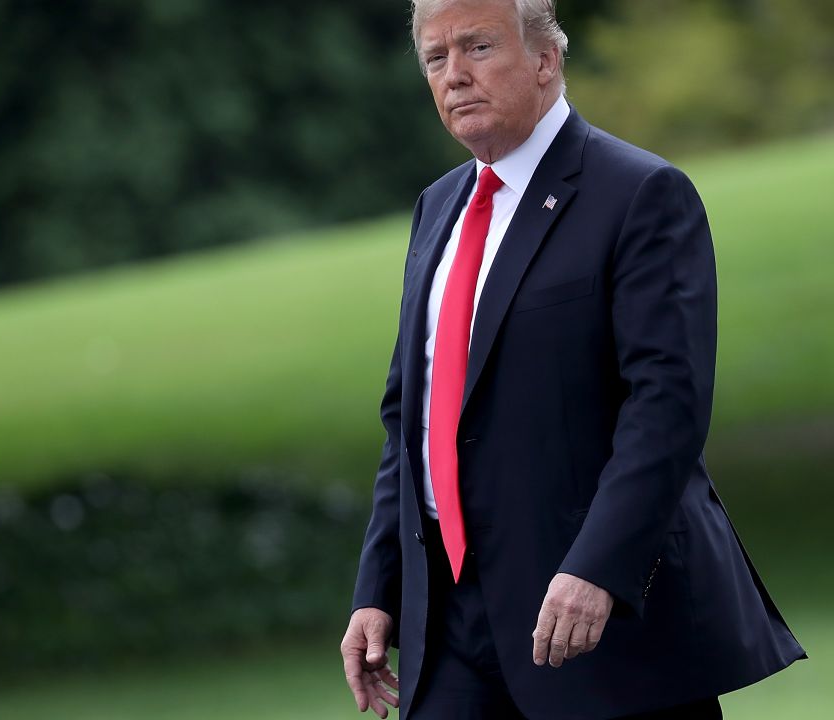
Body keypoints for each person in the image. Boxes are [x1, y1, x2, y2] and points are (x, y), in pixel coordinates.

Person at [340, 1, 806, 717]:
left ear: (546, 60)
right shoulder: (437, 208)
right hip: (452, 628)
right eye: (436, 59)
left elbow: (667, 407)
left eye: (478, 48)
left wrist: (599, 568)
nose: (455, 76)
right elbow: (412, 419)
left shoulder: (641, 193)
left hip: (598, 623)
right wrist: (379, 588)